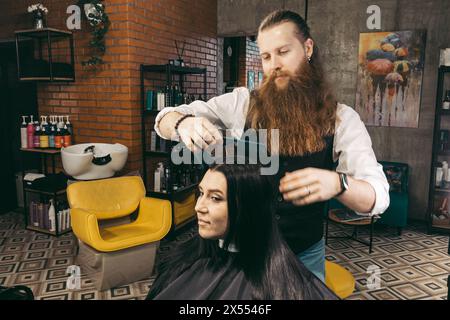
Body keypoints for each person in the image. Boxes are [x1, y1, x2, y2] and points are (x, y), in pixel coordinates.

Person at [154, 10, 390, 281]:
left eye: (283, 51)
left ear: (308, 48)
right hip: (241, 253)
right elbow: (163, 120)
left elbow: (377, 197)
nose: (273, 64)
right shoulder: (242, 103)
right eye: (266, 56)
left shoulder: (341, 118)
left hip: (303, 256)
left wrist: (338, 184)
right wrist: (183, 122)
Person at [146, 163, 338, 300]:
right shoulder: (181, 259)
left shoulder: (284, 283)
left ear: (247, 209)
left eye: (215, 198)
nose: (198, 206)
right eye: (201, 193)